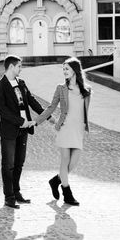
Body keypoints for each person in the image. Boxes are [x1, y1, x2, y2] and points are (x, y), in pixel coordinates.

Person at [0, 55, 52, 209]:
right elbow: (3, 111)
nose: (21, 69)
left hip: (24, 130)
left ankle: (17, 192)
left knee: (19, 164)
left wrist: (47, 116)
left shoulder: (21, 83)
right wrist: (21, 121)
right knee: (8, 165)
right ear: (11, 67)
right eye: (19, 66)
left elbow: (31, 101)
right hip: (9, 132)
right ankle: (9, 197)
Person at [34, 57, 92, 206]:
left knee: (73, 163)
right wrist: (37, 121)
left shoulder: (87, 90)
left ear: (74, 70)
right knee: (65, 160)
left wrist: (85, 127)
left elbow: (85, 111)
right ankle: (67, 194)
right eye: (63, 69)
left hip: (78, 129)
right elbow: (51, 107)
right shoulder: (61, 88)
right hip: (65, 127)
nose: (64, 71)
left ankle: (55, 181)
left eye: (67, 69)